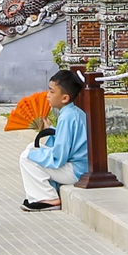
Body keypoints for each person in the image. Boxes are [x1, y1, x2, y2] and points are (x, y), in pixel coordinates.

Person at [17, 68, 88, 211]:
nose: (47, 95)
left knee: (26, 157)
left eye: (52, 91)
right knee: (32, 147)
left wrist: (34, 154)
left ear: (65, 98)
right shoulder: (73, 113)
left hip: (76, 171)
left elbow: (59, 157)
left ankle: (48, 198)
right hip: (81, 167)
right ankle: (43, 195)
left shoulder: (67, 117)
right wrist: (50, 131)